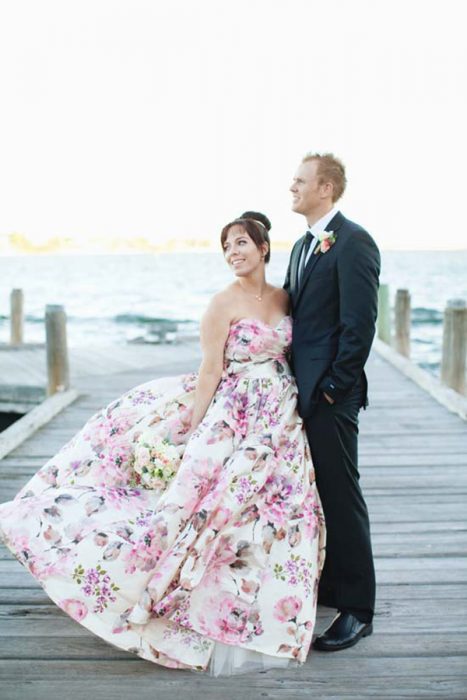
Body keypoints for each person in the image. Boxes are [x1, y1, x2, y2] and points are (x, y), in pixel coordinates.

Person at [0, 213, 325, 675]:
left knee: (279, 509)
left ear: (263, 248)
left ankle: (260, 609)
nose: (233, 253)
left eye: (240, 244)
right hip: (235, 408)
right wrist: (194, 427)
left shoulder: (285, 297)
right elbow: (211, 370)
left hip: (280, 415)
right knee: (198, 504)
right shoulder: (220, 305)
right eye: (226, 247)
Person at [284, 153, 380, 651]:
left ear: (326, 187)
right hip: (300, 395)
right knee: (315, 497)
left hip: (330, 397)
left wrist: (332, 388)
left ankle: (358, 610)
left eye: (300, 181)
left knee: (342, 499)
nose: (291, 187)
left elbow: (359, 324)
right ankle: (327, 586)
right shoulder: (302, 246)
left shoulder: (354, 242)